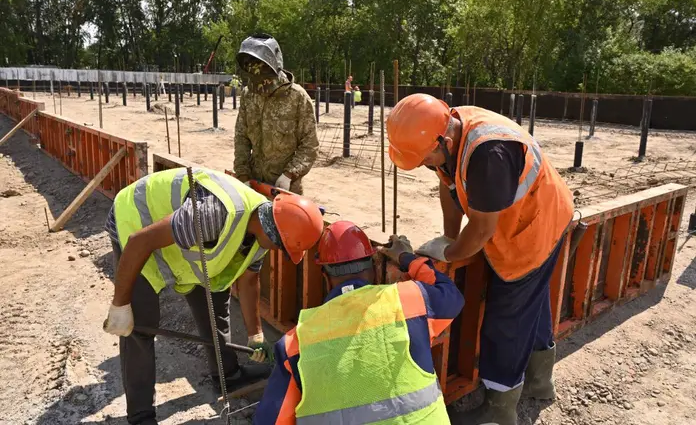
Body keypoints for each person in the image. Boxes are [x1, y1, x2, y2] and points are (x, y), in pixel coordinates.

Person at [387, 94, 574, 425]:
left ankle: (499, 409)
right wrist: (449, 235)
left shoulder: (488, 154)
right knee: (533, 300)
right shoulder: (448, 130)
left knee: (507, 318)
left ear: (443, 139)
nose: (426, 165)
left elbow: (484, 228)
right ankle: (539, 382)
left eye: (426, 158)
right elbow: (448, 184)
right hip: (536, 212)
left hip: (535, 225)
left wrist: (451, 252)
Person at [102, 166, 324, 425]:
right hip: (136, 221)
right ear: (273, 233)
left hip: (181, 241)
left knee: (215, 303)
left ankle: (227, 375)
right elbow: (140, 241)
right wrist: (120, 304)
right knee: (140, 324)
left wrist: (256, 336)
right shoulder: (213, 215)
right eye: (282, 248)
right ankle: (141, 416)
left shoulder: (264, 227)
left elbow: (249, 280)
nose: (279, 252)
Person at [253, 221, 465, 424]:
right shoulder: (409, 301)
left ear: (325, 275)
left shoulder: (295, 343)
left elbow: (271, 420)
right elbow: (451, 295)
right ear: (373, 266)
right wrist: (406, 257)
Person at [234, 34, 319, 195]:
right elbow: (241, 137)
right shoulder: (249, 95)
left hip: (286, 187)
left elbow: (310, 145)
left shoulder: (297, 98)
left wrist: (289, 174)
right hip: (253, 184)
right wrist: (242, 174)